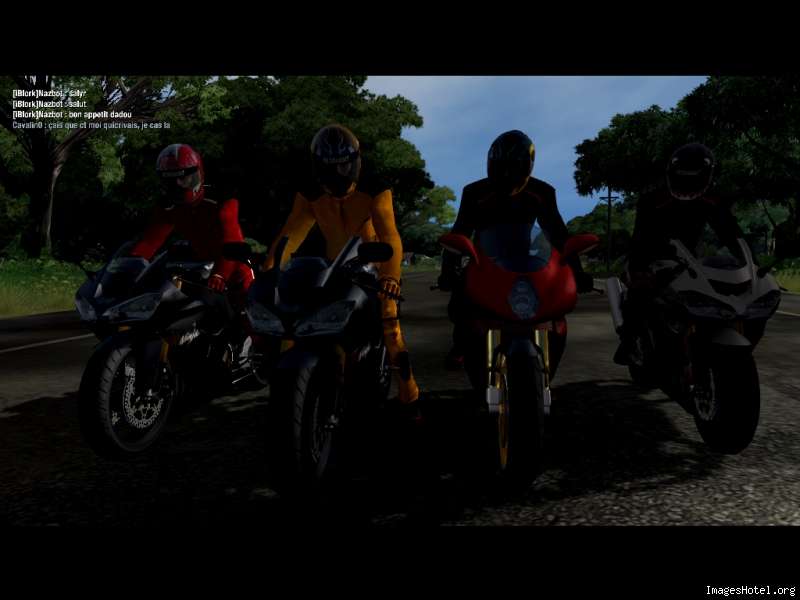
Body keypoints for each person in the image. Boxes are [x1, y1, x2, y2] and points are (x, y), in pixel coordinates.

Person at [261, 124, 421, 413]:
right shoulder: (310, 193)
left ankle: (410, 397)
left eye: (344, 166)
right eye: (330, 168)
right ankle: (286, 393)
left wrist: (390, 278)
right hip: (332, 267)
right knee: (293, 324)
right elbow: (291, 234)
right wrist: (270, 269)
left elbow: (390, 235)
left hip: (372, 268)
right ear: (317, 167)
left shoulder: (375, 188)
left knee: (390, 326)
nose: (338, 175)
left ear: (355, 162)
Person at [438, 129, 594, 375]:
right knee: (461, 303)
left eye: (514, 168)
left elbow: (558, 235)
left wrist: (576, 272)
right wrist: (449, 271)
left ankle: (545, 351)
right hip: (484, 260)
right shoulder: (474, 193)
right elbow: (460, 232)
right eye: (502, 168)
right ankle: (462, 345)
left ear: (528, 166)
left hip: (530, 260)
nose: (507, 175)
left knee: (550, 306)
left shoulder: (542, 192)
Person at [614, 142, 747, 365]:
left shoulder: (712, 201)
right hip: (652, 259)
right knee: (639, 293)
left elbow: (731, 235)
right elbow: (639, 239)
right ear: (672, 174)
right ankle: (631, 341)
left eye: (695, 177)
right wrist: (639, 268)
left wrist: (750, 264)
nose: (688, 183)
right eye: (683, 176)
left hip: (692, 260)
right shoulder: (652, 200)